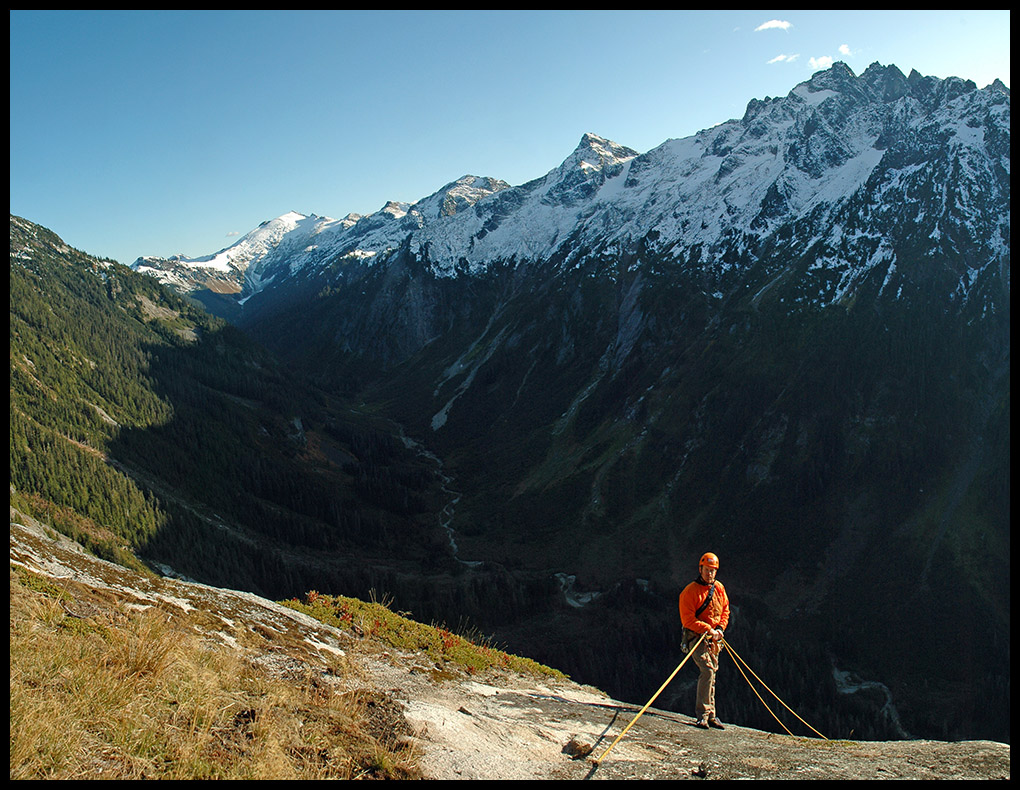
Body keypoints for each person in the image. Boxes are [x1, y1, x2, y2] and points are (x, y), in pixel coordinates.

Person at [679, 552, 730, 730]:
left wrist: (720, 629)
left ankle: (711, 715)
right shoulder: (690, 592)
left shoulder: (719, 589)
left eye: (713, 571)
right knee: (708, 670)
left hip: (713, 639)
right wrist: (709, 629)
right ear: (700, 569)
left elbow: (725, 611)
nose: (710, 574)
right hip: (697, 637)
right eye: (707, 570)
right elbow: (687, 620)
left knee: (712, 673)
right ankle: (703, 715)